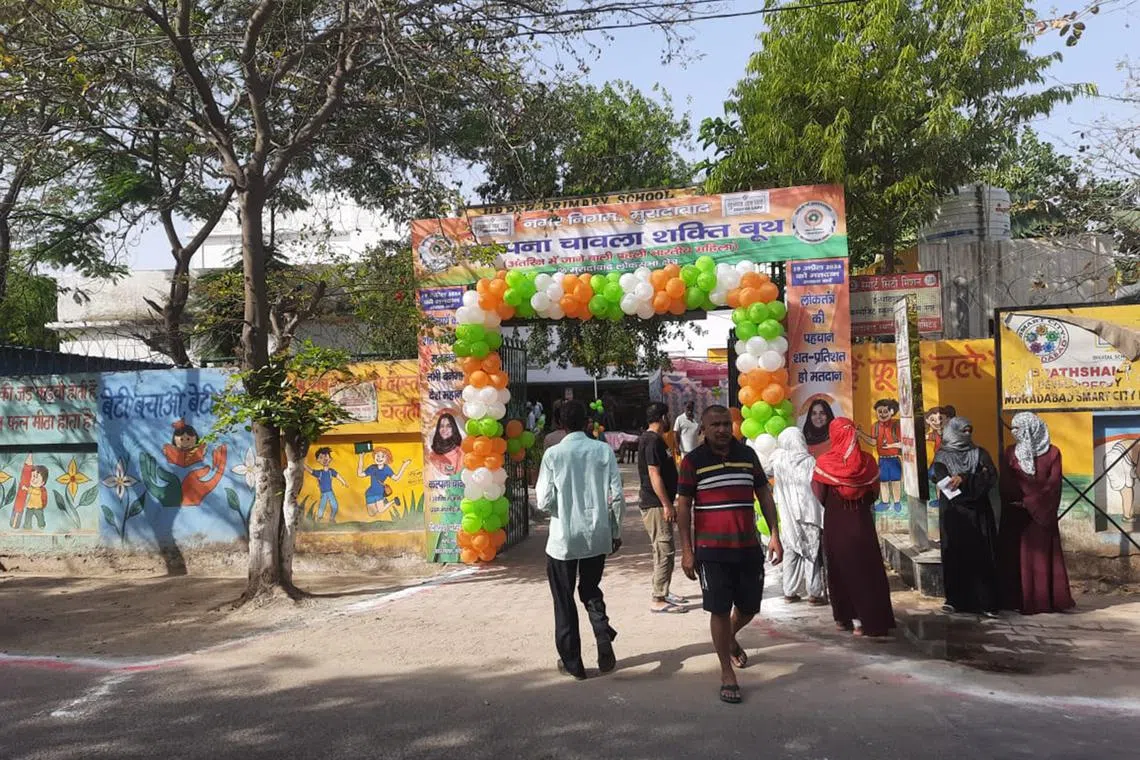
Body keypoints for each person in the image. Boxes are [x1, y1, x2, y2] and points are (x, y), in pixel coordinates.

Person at [676, 405, 783, 704]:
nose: (722, 429)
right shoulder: (693, 461)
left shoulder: (748, 456)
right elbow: (684, 506)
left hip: (748, 547)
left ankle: (729, 639)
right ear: (704, 430)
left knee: (749, 607)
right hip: (711, 552)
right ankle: (727, 673)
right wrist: (687, 550)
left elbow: (764, 494)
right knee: (719, 610)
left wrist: (775, 535)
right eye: (715, 425)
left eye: (726, 424)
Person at [536, 400, 625, 680]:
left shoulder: (553, 455)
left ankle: (573, 663)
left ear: (561, 424)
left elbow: (543, 500)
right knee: (589, 588)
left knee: (564, 599)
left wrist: (560, 512)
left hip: (563, 538)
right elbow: (617, 497)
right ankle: (601, 631)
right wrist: (615, 531)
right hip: (597, 535)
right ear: (587, 421)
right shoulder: (602, 450)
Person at [812, 418, 896, 637]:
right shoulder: (868, 462)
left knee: (840, 569)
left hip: (836, 523)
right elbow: (874, 494)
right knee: (867, 570)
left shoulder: (824, 463)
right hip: (862, 523)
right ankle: (870, 621)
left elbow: (819, 494)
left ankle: (844, 618)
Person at [1000, 413, 1075, 614]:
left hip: (1041, 516)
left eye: (1019, 428)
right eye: (1013, 429)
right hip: (1016, 515)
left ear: (1032, 429)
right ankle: (1016, 600)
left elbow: (1053, 483)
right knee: (1017, 558)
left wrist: (1031, 502)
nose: (1015, 433)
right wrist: (1016, 501)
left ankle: (1043, 601)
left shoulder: (1052, 453)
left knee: (1041, 558)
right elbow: (1006, 481)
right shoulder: (1010, 452)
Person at [930, 417, 1000, 616]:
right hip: (954, 514)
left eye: (970, 431)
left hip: (978, 513)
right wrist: (961, 485)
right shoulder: (941, 456)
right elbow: (941, 479)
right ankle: (956, 600)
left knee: (982, 555)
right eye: (963, 431)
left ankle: (987, 602)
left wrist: (965, 479)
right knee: (954, 554)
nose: (967, 435)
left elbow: (991, 476)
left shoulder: (979, 453)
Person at [637, 402, 686, 613]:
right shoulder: (651, 441)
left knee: (664, 549)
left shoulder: (657, 440)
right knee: (664, 549)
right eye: (668, 416)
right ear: (662, 417)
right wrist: (666, 504)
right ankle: (658, 598)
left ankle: (663, 590)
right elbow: (654, 473)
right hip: (655, 504)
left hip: (660, 503)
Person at [769, 428, 826, 604]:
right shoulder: (810, 461)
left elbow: (766, 471)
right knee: (812, 552)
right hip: (809, 513)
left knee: (791, 551)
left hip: (788, 515)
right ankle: (814, 594)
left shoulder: (778, 460)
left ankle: (789, 591)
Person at [858, 399, 903, 512]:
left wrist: (891, 446)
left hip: (894, 459)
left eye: (885, 411)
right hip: (882, 459)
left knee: (895, 481)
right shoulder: (875, 426)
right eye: (879, 412)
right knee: (883, 481)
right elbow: (873, 442)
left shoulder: (897, 425)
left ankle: (897, 502)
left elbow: (903, 442)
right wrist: (861, 434)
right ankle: (885, 502)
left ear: (892, 412)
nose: (882, 414)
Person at [358, 447, 412, 517]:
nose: (379, 458)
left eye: (382, 456)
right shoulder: (372, 467)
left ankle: (393, 501)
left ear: (387, 459)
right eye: (377, 455)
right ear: (374, 456)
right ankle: (383, 501)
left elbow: (396, 478)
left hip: (379, 493)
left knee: (381, 510)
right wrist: (361, 457)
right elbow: (360, 474)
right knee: (372, 514)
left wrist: (404, 465)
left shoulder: (387, 469)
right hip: (370, 493)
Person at [305, 447, 348, 523]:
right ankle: (318, 519)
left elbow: (338, 475)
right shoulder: (320, 473)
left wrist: (343, 482)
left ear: (330, 458)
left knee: (335, 506)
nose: (324, 459)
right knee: (322, 507)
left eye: (326, 456)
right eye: (321, 457)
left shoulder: (331, 471)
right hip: (324, 493)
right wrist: (303, 465)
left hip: (330, 492)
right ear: (318, 460)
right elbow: (311, 471)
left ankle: (331, 518)